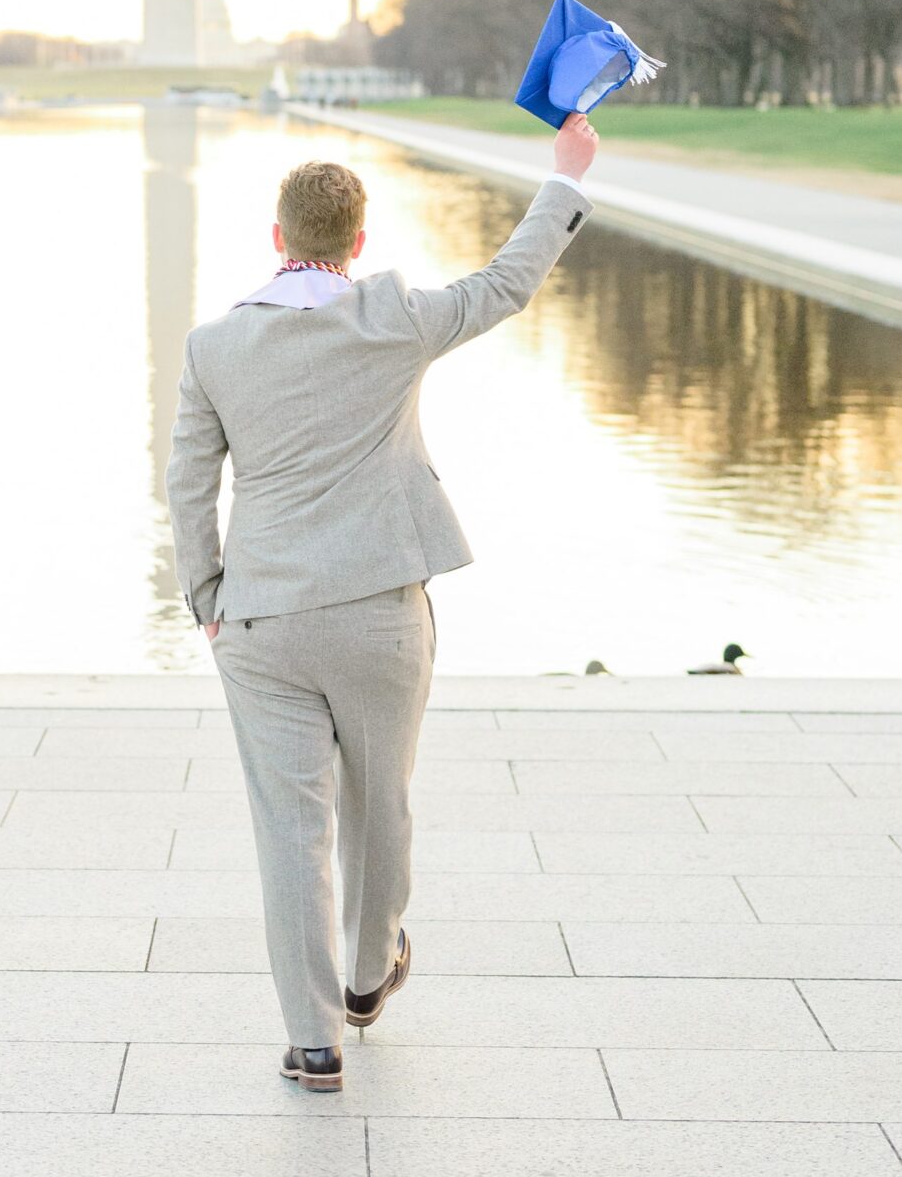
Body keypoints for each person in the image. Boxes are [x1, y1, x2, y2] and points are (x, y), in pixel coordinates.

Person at [165, 116, 598, 1088]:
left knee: (289, 830)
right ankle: (366, 977)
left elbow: (187, 485)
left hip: (262, 617)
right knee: (380, 802)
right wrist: (562, 177)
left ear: (277, 238)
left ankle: (311, 1040)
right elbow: (502, 283)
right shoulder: (393, 314)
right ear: (356, 242)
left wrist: (204, 595)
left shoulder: (212, 346)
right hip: (376, 607)